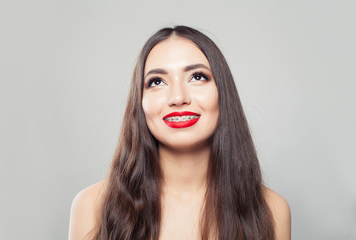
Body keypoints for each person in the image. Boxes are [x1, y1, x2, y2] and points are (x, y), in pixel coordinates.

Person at [68, 25, 291, 240]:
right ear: (141, 103)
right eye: (157, 81)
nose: (178, 97)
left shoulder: (273, 210)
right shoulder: (91, 207)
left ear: (222, 93)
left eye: (197, 77)